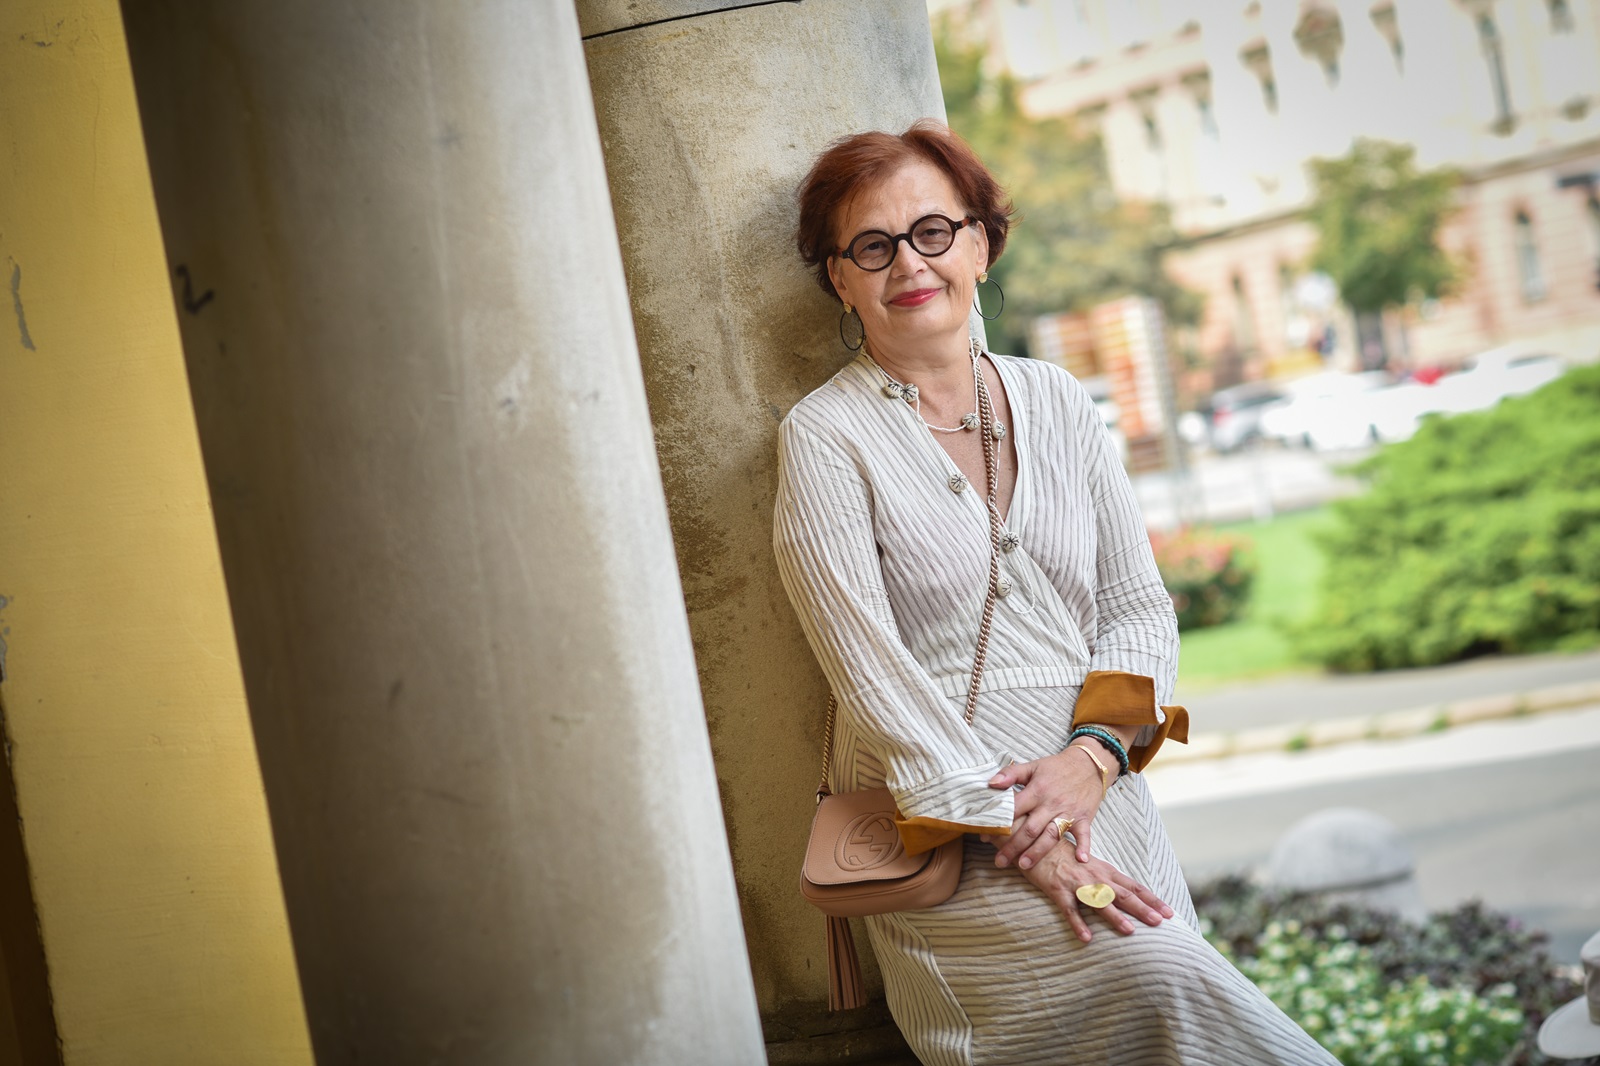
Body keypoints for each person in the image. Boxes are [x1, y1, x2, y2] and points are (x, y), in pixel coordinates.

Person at [773, 120, 1337, 1065]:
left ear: (982, 243)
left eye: (933, 232)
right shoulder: (825, 437)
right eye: (872, 246)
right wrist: (1025, 834)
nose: (908, 263)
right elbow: (872, 676)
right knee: (1164, 982)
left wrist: (1098, 755)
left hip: (1099, 793)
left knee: (1172, 988)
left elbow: (1135, 606)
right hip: (950, 827)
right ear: (839, 278)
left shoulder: (1058, 400)